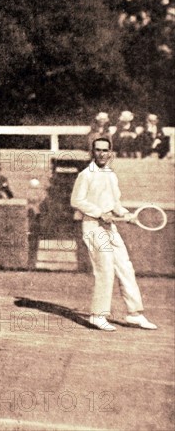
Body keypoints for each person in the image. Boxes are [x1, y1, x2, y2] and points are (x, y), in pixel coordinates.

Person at [70, 137, 157, 331]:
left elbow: (115, 203)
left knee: (125, 268)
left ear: (110, 153)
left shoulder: (110, 174)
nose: (101, 154)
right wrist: (99, 213)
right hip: (94, 227)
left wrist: (125, 214)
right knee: (105, 270)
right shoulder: (85, 175)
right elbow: (76, 201)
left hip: (111, 228)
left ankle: (134, 314)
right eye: (97, 150)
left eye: (105, 150)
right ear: (93, 153)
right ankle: (97, 315)